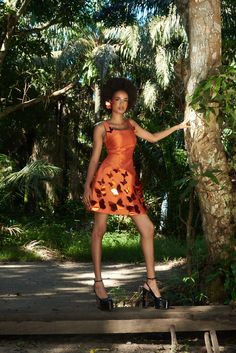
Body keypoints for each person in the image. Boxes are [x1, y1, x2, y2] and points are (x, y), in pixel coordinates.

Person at [83, 77, 189, 311]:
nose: (121, 104)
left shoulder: (131, 124)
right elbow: (94, 158)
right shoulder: (102, 128)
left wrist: (178, 127)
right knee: (99, 231)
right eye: (117, 100)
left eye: (125, 100)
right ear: (109, 102)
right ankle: (98, 283)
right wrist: (87, 186)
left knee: (148, 229)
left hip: (128, 184)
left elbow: (152, 138)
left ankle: (151, 283)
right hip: (106, 181)